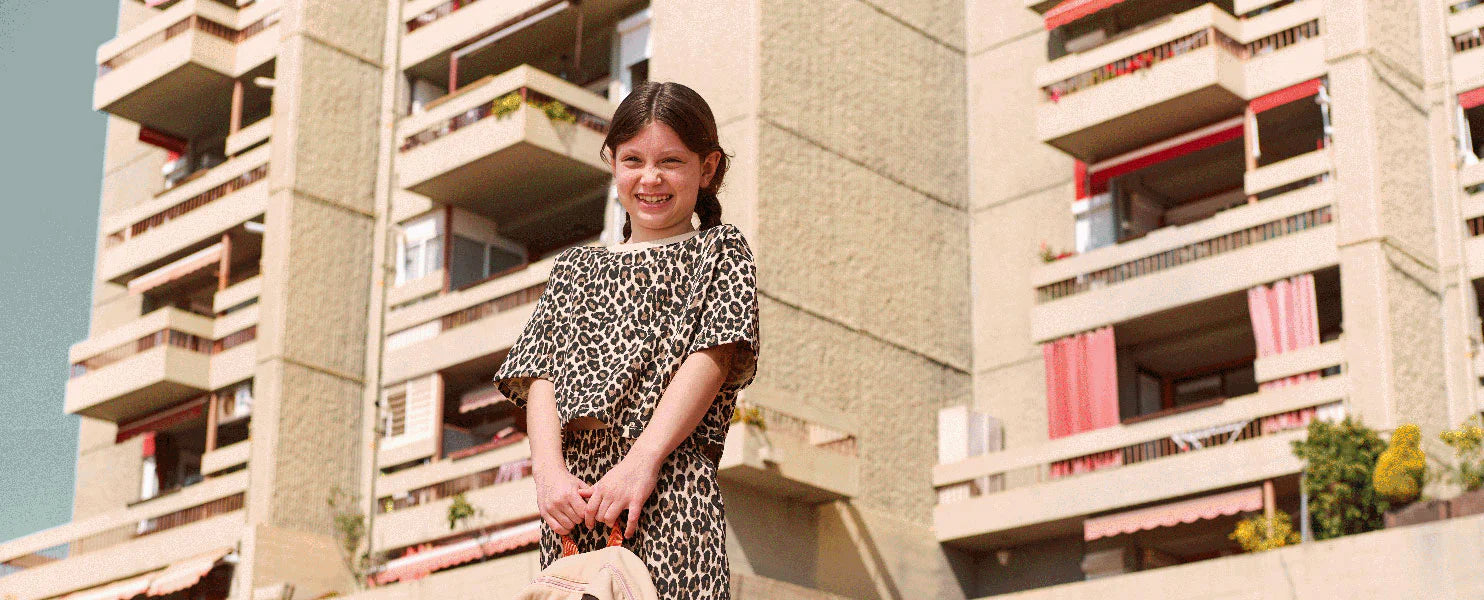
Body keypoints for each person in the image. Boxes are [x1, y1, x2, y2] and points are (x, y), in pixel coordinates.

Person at [491, 80, 760, 599]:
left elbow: (712, 358)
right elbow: (540, 375)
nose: (650, 178)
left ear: (707, 168)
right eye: (633, 160)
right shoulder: (574, 268)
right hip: (574, 506)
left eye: (671, 162)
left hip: (669, 491)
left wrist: (640, 464)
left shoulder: (720, 252)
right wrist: (548, 475)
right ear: (612, 162)